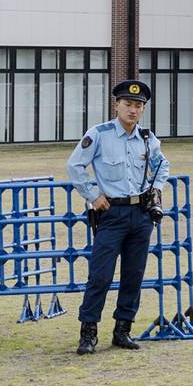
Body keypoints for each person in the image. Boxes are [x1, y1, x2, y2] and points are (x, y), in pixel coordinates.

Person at [66, 79, 169, 355]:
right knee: (100, 275)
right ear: (117, 106)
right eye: (128, 105)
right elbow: (75, 166)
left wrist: (156, 189)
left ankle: (123, 329)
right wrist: (92, 195)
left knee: (133, 276)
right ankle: (88, 333)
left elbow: (163, 165)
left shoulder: (148, 139)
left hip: (141, 213)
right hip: (111, 213)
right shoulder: (99, 134)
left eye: (138, 106)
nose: (133, 110)